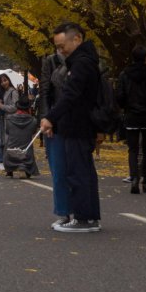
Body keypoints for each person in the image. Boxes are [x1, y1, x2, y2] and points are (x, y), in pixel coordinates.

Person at [40, 23, 102, 233]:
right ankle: (89, 216)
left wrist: (50, 117)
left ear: (77, 39)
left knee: (78, 172)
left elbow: (71, 94)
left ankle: (83, 218)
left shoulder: (81, 64)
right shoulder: (84, 61)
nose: (60, 50)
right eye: (57, 47)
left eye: (62, 45)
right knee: (83, 171)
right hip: (78, 124)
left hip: (77, 124)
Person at [116, 45, 146, 194]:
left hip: (131, 115)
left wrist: (125, 106)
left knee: (133, 149)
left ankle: (134, 177)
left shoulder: (124, 75)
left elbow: (120, 96)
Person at [40, 49, 70, 229]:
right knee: (58, 170)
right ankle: (64, 211)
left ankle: (82, 212)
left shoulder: (84, 62)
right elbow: (45, 92)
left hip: (78, 123)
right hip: (55, 121)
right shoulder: (50, 62)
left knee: (77, 170)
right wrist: (46, 119)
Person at [3, 97, 39, 178]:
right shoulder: (33, 121)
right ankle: (25, 167)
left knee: (8, 143)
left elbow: (7, 132)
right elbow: (33, 132)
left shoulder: (9, 119)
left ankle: (9, 171)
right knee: (27, 146)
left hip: (11, 152)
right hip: (26, 154)